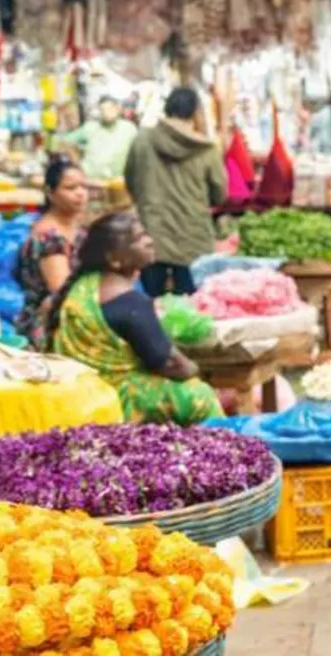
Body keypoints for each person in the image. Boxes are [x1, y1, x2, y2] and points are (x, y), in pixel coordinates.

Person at [49, 211, 231, 424]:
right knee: (198, 394)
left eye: (146, 234)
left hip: (82, 389)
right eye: (138, 239)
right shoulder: (130, 302)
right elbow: (172, 365)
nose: (149, 241)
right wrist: (196, 371)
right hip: (116, 395)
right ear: (114, 259)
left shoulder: (85, 286)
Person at [125, 86, 227, 298]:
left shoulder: (142, 140)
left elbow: (130, 181)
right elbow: (220, 194)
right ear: (195, 112)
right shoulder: (206, 149)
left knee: (152, 307)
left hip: (151, 235)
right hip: (193, 239)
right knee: (194, 309)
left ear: (167, 107)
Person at [13, 158, 89, 350]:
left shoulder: (78, 230)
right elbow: (61, 289)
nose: (80, 193)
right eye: (71, 188)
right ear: (50, 193)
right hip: (48, 324)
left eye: (83, 186)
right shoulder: (49, 237)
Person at [63, 95, 138, 180]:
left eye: (110, 108)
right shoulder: (90, 127)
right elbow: (66, 141)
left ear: (117, 108)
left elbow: (138, 151)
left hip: (116, 181)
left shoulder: (129, 128)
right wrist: (77, 163)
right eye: (102, 109)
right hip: (91, 179)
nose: (106, 112)